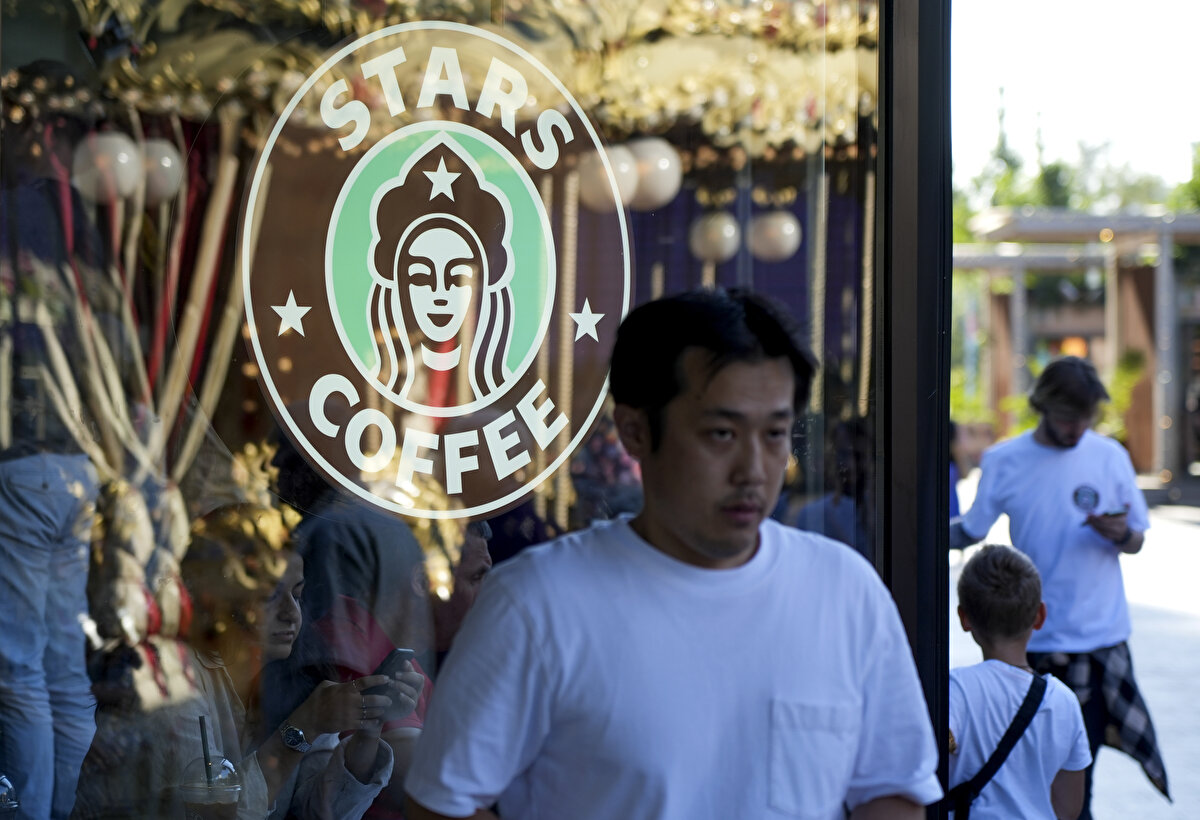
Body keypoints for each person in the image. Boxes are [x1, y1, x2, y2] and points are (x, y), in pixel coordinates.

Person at [404, 288, 942, 820]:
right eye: (721, 433)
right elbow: (441, 804)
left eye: (776, 434)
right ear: (635, 431)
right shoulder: (537, 603)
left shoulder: (846, 591)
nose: (754, 470)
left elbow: (892, 791)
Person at [950, 356, 1170, 817]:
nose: (1077, 430)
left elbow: (1137, 540)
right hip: (1030, 643)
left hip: (1098, 643)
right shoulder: (1006, 460)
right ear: (1043, 408)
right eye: (1069, 419)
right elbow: (971, 529)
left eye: (1085, 419)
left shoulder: (1109, 456)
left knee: (1075, 780)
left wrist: (1121, 535)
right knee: (1018, 772)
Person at [949, 544, 1090, 819]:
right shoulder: (1063, 701)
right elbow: (1068, 809)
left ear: (964, 618)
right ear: (1039, 616)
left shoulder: (955, 691)